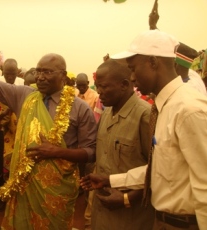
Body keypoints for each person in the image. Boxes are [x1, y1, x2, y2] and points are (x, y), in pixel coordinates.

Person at [0, 11, 97, 229]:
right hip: (24, 186)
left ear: (63, 76)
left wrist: (57, 152)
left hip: (58, 191)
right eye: (38, 71)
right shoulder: (24, 96)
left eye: (48, 72)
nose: (41, 76)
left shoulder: (80, 108)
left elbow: (91, 151)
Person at [82, 30, 207, 229]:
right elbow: (160, 169)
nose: (131, 77)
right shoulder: (164, 106)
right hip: (162, 221)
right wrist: (110, 179)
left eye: (132, 68)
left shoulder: (188, 109)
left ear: (153, 62)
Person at [87, 59, 154, 229]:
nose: (99, 92)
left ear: (124, 85)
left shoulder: (145, 116)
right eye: (97, 86)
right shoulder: (106, 113)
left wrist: (127, 199)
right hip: (101, 214)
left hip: (130, 217)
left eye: (103, 86)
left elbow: (157, 171)